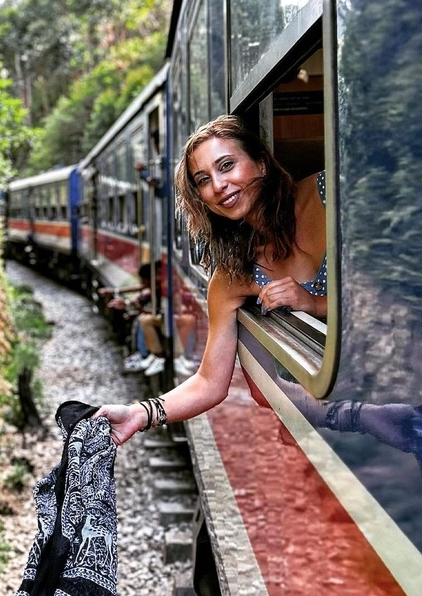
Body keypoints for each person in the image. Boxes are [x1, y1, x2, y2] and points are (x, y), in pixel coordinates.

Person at [96, 115, 328, 444]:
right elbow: (209, 382)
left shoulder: (327, 192)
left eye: (227, 165)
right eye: (203, 180)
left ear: (261, 164)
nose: (218, 186)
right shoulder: (232, 275)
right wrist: (140, 413)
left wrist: (316, 305)